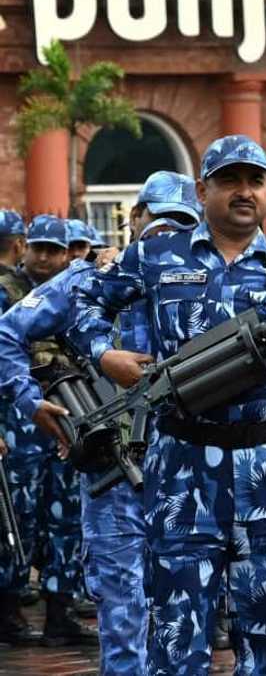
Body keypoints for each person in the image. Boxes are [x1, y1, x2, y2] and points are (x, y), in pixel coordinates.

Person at [70, 134, 266, 675]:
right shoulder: (153, 256)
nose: (244, 192)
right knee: (176, 640)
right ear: (202, 190)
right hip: (182, 470)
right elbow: (81, 299)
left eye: (255, 181)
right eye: (229, 181)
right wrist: (106, 356)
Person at [0, 171, 201, 673]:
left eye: (180, 225)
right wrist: (30, 402)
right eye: (156, 221)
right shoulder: (85, 278)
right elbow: (6, 335)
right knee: (122, 611)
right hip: (112, 467)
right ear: (134, 218)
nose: (165, 235)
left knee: (184, 614)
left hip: (188, 468)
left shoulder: (204, 280)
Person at [0, 215, 94, 647]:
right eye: (37, 248)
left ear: (65, 254)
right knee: (18, 518)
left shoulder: (76, 296)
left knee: (67, 516)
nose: (44, 257)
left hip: (69, 414)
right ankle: (9, 611)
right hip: (18, 420)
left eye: (53, 250)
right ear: (25, 248)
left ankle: (61, 612)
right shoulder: (6, 293)